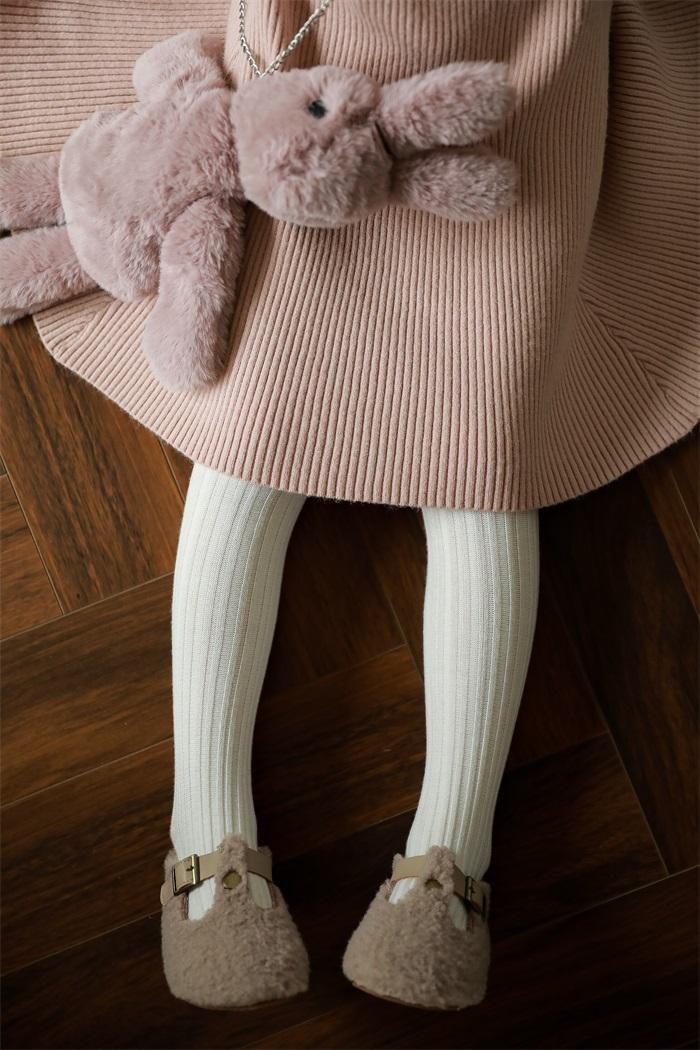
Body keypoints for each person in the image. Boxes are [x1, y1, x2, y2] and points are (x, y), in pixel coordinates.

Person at [3, 0, 697, 1015]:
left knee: (482, 453)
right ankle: (209, 832)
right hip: (318, 88)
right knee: (256, 439)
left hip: (520, 82)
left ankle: (447, 863)